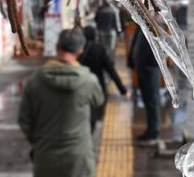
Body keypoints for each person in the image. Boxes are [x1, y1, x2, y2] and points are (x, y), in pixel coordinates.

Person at [19, 29, 104, 177]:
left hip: (45, 155)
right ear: (80, 51)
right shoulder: (89, 81)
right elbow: (99, 101)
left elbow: (24, 119)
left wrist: (39, 141)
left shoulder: (35, 81)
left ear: (57, 47)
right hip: (79, 155)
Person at [78, 26, 130, 132]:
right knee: (92, 118)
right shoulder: (100, 49)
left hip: (80, 87)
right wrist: (123, 90)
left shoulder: (79, 51)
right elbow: (111, 71)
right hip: (97, 88)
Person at [127, 25, 161, 143]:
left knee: (152, 100)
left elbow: (157, 48)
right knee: (147, 100)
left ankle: (153, 132)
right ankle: (150, 129)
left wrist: (147, 64)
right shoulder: (141, 26)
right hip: (143, 69)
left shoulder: (152, 25)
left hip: (150, 69)